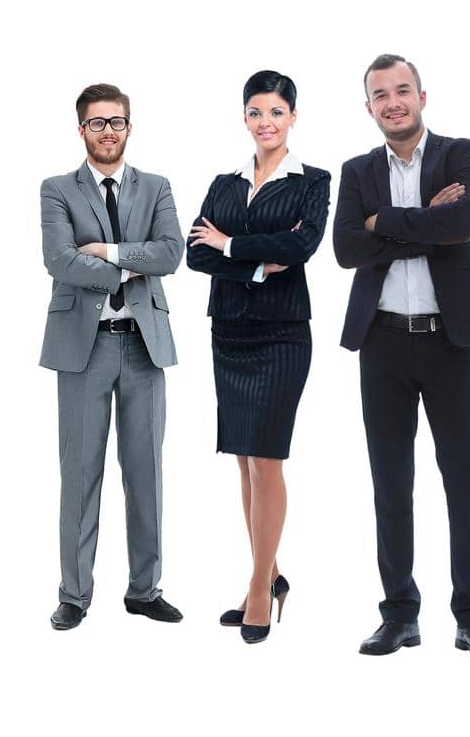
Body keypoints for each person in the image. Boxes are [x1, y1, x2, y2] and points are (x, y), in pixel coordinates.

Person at [332, 54, 470, 660]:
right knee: (390, 484)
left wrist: (392, 222)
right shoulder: (356, 171)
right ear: (369, 107)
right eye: (380, 95)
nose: (393, 102)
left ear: (422, 96)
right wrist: (426, 220)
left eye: (402, 90)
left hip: (449, 340)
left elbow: (464, 222)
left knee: (464, 481)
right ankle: (400, 614)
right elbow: (348, 248)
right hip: (381, 343)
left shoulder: (462, 154)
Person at [186, 70, 327, 644]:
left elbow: (303, 246)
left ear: (293, 117)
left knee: (267, 460)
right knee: (243, 460)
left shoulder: (312, 181)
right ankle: (269, 577)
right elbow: (196, 254)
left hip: (282, 334)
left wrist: (231, 244)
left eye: (275, 112)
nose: (265, 122)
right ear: (244, 118)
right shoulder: (224, 182)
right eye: (255, 112)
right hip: (230, 333)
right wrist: (249, 260)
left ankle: (257, 592)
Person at [40, 83, 185, 631]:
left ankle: (144, 590)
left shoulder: (157, 187)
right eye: (97, 123)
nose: (108, 131)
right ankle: (74, 594)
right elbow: (59, 259)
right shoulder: (57, 189)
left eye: (117, 121)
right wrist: (132, 265)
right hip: (84, 348)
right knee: (79, 474)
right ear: (82, 130)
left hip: (144, 344)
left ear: (130, 126)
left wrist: (107, 252)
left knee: (146, 472)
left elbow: (172, 254)